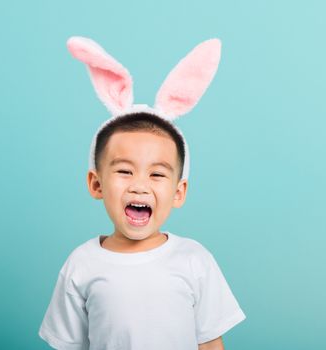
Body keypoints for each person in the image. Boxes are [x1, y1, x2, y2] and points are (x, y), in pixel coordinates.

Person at [38, 36, 246, 350]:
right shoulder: (81, 265)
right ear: (96, 184)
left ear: (179, 192)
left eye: (157, 174)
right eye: (124, 171)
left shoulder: (194, 260)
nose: (139, 185)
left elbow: (210, 342)